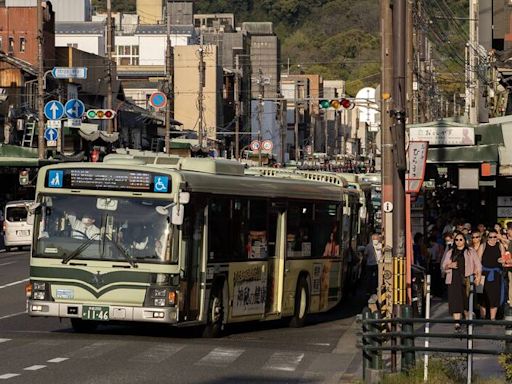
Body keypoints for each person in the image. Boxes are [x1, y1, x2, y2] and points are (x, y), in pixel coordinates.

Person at [441, 233, 482, 331]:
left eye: (461, 239)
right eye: (457, 240)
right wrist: (449, 265)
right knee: (455, 302)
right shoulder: (450, 252)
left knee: (466, 302)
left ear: (464, 240)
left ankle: (468, 320)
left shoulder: (470, 251)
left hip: (466, 279)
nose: (458, 242)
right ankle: (457, 324)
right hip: (453, 279)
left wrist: (478, 276)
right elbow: (443, 266)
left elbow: (478, 265)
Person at [478, 229, 506, 320]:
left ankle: (492, 318)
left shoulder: (500, 246)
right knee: (483, 297)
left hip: (496, 275)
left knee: (494, 296)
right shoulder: (483, 246)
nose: (493, 239)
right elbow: (478, 262)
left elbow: (504, 259)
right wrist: (477, 275)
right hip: (484, 274)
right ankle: (483, 317)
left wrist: (503, 261)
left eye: (495, 237)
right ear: (487, 238)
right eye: (491, 237)